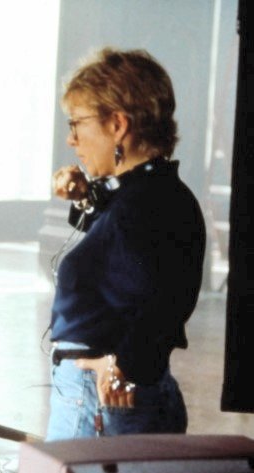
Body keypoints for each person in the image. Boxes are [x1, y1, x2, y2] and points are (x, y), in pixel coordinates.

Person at [45, 48, 206, 440]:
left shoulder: (144, 204)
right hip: (107, 398)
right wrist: (87, 197)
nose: (71, 139)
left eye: (77, 123)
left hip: (100, 400)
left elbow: (166, 300)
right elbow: (127, 259)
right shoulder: (152, 193)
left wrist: (124, 364)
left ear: (117, 125)